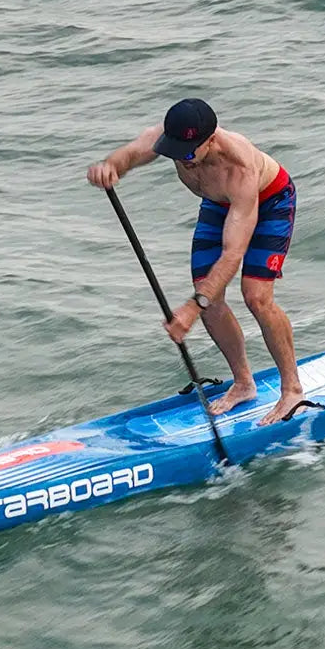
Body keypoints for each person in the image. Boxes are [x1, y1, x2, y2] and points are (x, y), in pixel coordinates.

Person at [86, 98, 304, 425]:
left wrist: (191, 309)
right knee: (209, 297)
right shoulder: (170, 137)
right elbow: (130, 155)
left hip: (268, 200)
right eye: (175, 152)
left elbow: (233, 254)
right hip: (217, 205)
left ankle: (292, 390)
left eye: (189, 154)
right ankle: (244, 384)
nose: (182, 160)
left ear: (211, 140)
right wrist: (110, 167)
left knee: (256, 297)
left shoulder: (239, 167)